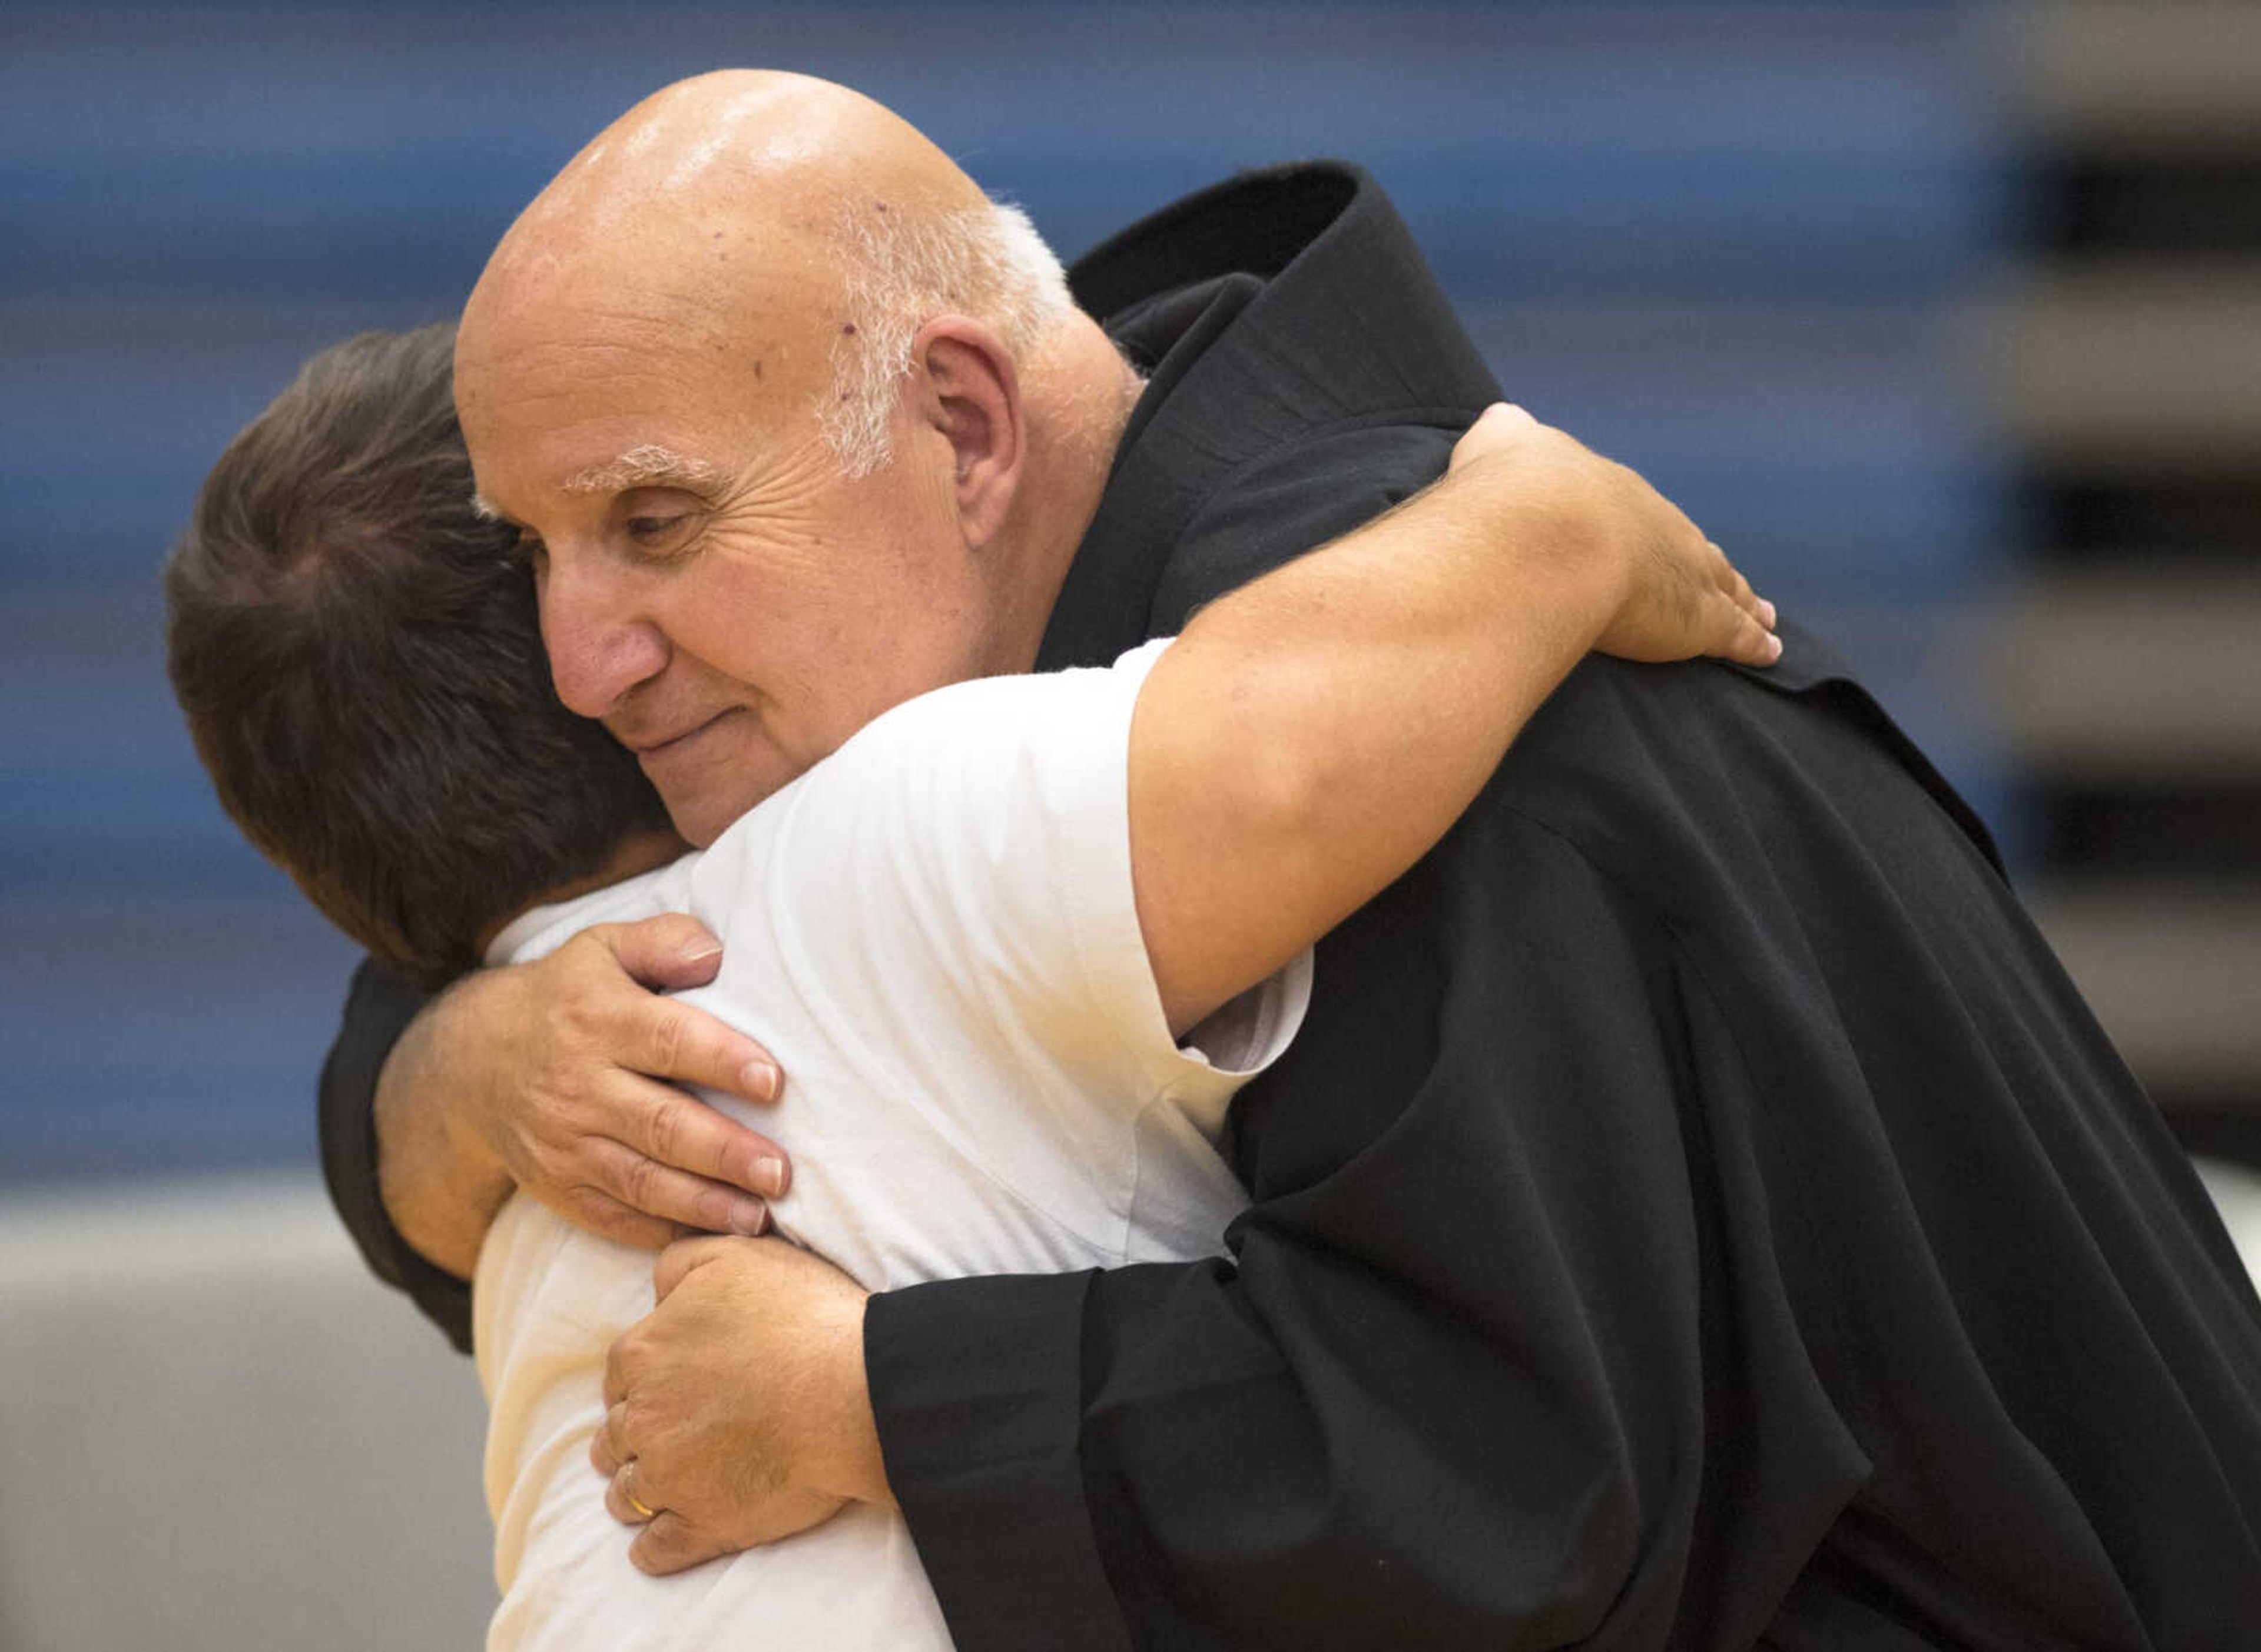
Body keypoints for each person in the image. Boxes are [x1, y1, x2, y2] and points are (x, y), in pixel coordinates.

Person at [322, 71, 2261, 1650]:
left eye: (654, 525)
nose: (581, 658)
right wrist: (463, 1064)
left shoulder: (1444, 732)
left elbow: (1506, 1501)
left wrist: (877, 1402)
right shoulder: (1038, 658)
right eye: (533, 553)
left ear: (966, 421)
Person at [166, 325, 1769, 1651]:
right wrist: (1552, 516)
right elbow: (1281, 764)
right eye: (642, 527)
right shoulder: (882, 853)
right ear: (597, 650)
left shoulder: (518, 1145)